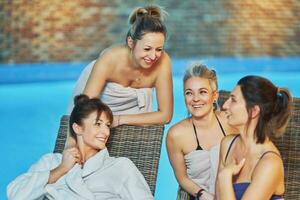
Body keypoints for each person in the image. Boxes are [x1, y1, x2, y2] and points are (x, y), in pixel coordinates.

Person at [7, 95, 153, 200]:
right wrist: (61, 169)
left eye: (107, 125)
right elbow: (16, 195)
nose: (105, 131)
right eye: (98, 124)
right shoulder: (51, 162)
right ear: (77, 128)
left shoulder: (121, 166)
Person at [67, 4, 173, 128]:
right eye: (147, 48)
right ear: (131, 42)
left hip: (121, 117)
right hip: (97, 95)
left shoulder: (163, 61)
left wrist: (118, 119)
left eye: (159, 49)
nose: (153, 55)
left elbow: (166, 116)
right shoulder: (110, 58)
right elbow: (85, 108)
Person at [166, 63, 237, 200]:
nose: (195, 99)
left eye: (202, 92)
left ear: (214, 96)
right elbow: (182, 177)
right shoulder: (176, 135)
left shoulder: (231, 122)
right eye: (189, 93)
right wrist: (202, 194)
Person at [216, 75, 292, 200]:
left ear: (253, 111)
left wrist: (224, 177)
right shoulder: (227, 144)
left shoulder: (270, 163)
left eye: (233, 100)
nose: (225, 105)